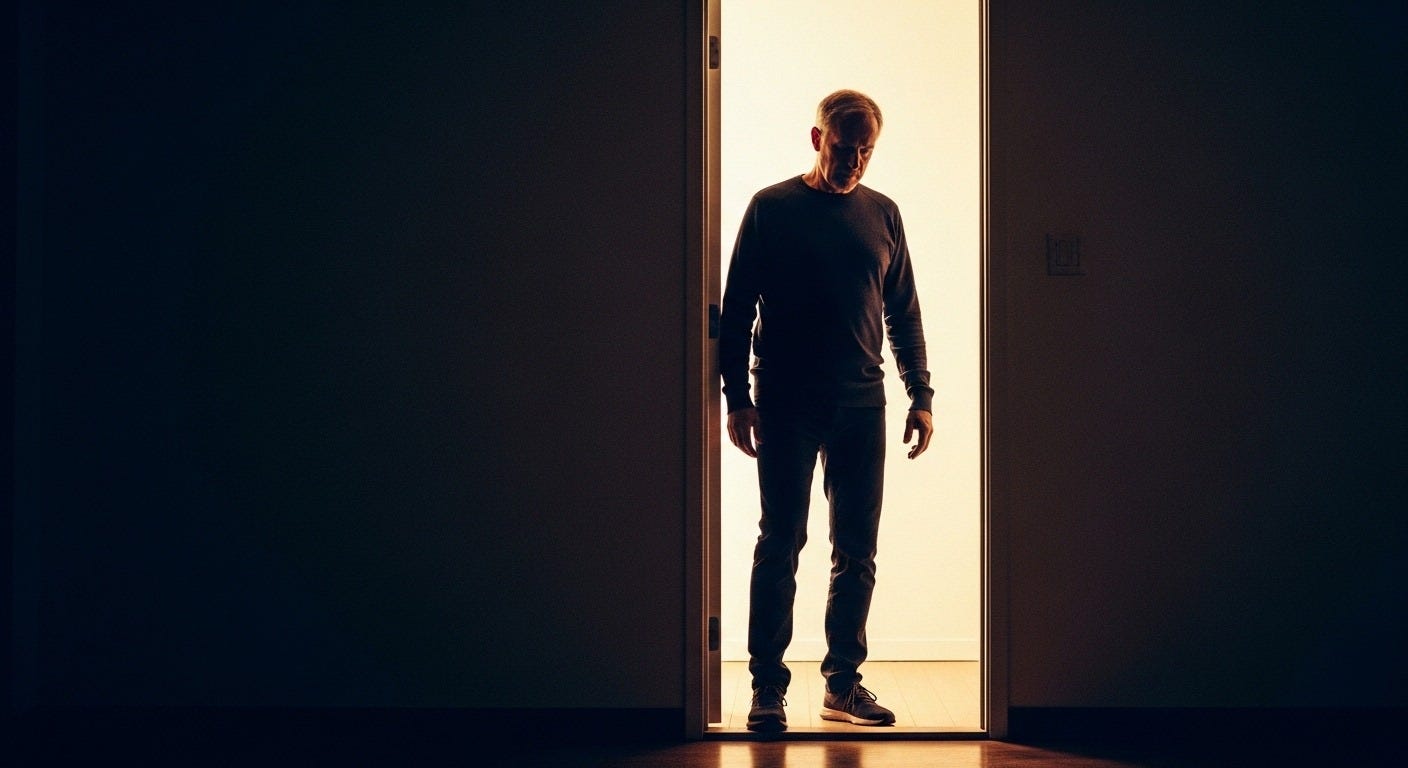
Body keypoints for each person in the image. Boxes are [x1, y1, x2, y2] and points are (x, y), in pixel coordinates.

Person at [718, 89, 934, 733]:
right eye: (845, 148)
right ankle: (766, 687)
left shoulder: (884, 215)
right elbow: (735, 313)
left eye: (867, 150)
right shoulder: (771, 209)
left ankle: (841, 683)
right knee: (780, 542)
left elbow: (904, 311)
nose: (855, 162)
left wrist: (921, 394)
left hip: (862, 404)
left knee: (857, 550)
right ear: (818, 140)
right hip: (786, 403)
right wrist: (738, 399)